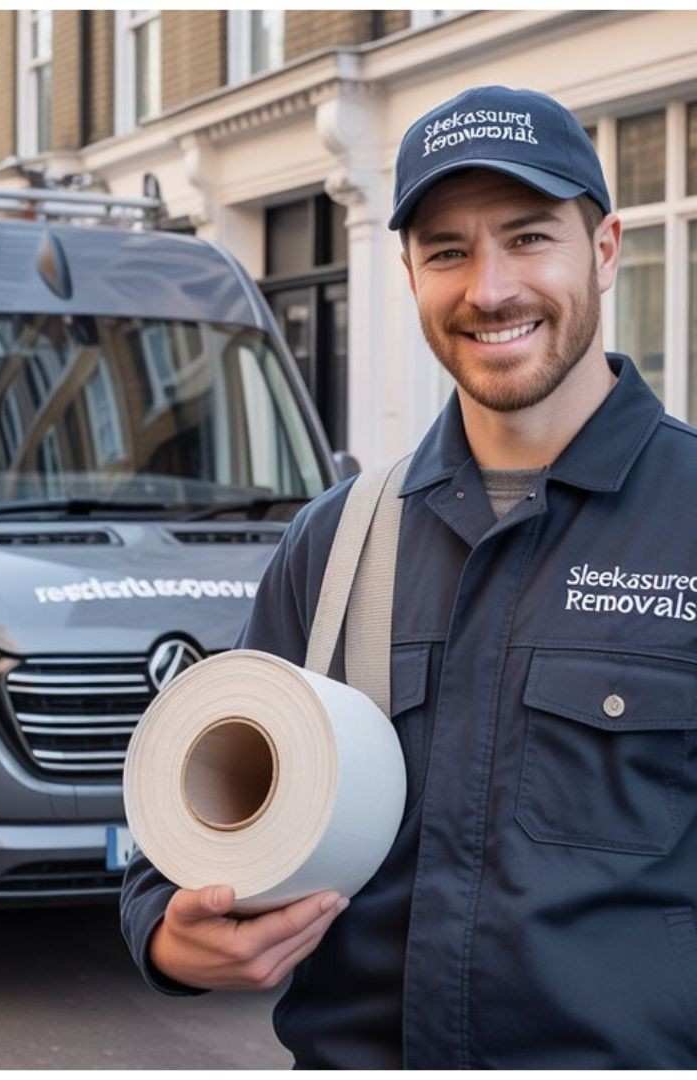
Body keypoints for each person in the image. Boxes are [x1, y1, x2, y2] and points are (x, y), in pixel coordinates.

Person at [120, 85, 697, 1068]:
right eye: (447, 251)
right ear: (410, 273)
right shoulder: (334, 539)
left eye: (528, 238)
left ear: (604, 250)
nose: (489, 289)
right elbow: (191, 831)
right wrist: (170, 938)